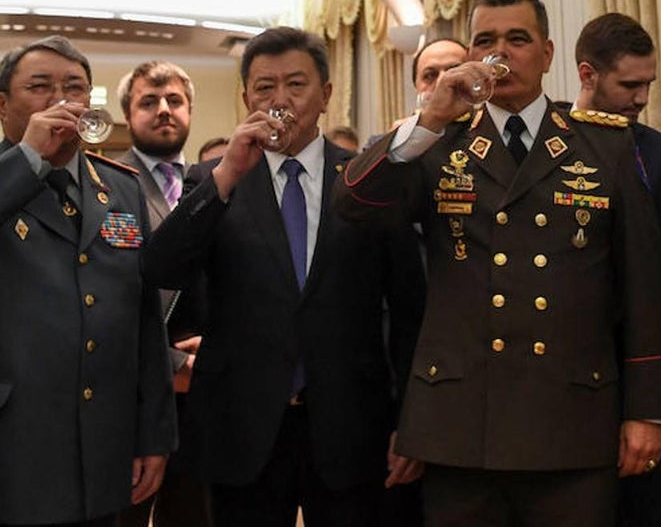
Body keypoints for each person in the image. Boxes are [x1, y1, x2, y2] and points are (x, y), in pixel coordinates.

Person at [334, 0, 661, 527]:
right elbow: (354, 207)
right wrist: (427, 120)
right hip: (462, 421)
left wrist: (646, 410)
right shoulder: (436, 144)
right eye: (485, 40)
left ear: (546, 53)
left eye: (518, 39)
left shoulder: (602, 146)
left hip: (572, 417)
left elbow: (644, 285)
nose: (501, 52)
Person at [140, 27, 424, 527]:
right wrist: (227, 174)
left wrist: (412, 422)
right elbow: (162, 270)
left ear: (326, 95)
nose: (280, 101)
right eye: (264, 88)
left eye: (295, 85)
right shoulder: (213, 179)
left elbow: (407, 309)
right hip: (242, 427)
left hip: (351, 424)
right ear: (246, 96)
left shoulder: (366, 180)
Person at [0, 35, 175, 526]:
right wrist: (29, 159)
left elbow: (144, 320)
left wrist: (153, 434)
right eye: (40, 87)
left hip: (106, 445)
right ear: (2, 104)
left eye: (75, 88)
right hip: (17, 442)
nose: (61, 100)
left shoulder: (119, 187)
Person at [572, 12, 661, 527]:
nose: (640, 99)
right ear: (588, 75)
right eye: (629, 85)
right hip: (567, 384)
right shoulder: (550, 149)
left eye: (648, 85)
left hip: (652, 383)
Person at [114, 61, 212, 527]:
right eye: (148, 102)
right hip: (134, 396)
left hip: (206, 398)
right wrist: (172, 365)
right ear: (128, 115)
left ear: (190, 109)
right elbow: (110, 296)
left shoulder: (215, 182)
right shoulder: (107, 185)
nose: (163, 110)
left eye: (174, 100)